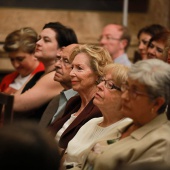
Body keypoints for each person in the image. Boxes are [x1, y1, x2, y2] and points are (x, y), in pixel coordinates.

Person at [83, 59, 170, 170]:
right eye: (126, 87)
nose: (124, 96)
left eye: (134, 92)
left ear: (157, 103)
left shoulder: (162, 144)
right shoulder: (127, 125)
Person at [62, 63, 132, 169]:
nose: (99, 86)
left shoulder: (126, 129)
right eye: (102, 81)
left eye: (109, 85)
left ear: (125, 96)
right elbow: (65, 157)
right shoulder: (92, 122)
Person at [48, 44, 113, 150]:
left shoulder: (99, 109)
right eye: (72, 67)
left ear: (98, 74)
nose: (72, 73)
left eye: (79, 68)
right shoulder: (74, 102)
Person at [13, 22, 78, 121]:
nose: (38, 43)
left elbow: (15, 104)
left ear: (61, 50)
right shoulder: (39, 73)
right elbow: (11, 101)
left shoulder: (56, 76)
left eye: (46, 40)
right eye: (39, 38)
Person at [39, 43, 78, 128]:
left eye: (66, 61)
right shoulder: (57, 99)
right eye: (58, 59)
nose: (56, 65)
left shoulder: (82, 102)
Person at [0, 27, 44, 94]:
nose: (15, 65)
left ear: (35, 52)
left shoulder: (44, 77)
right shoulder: (7, 79)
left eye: (20, 59)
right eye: (12, 59)